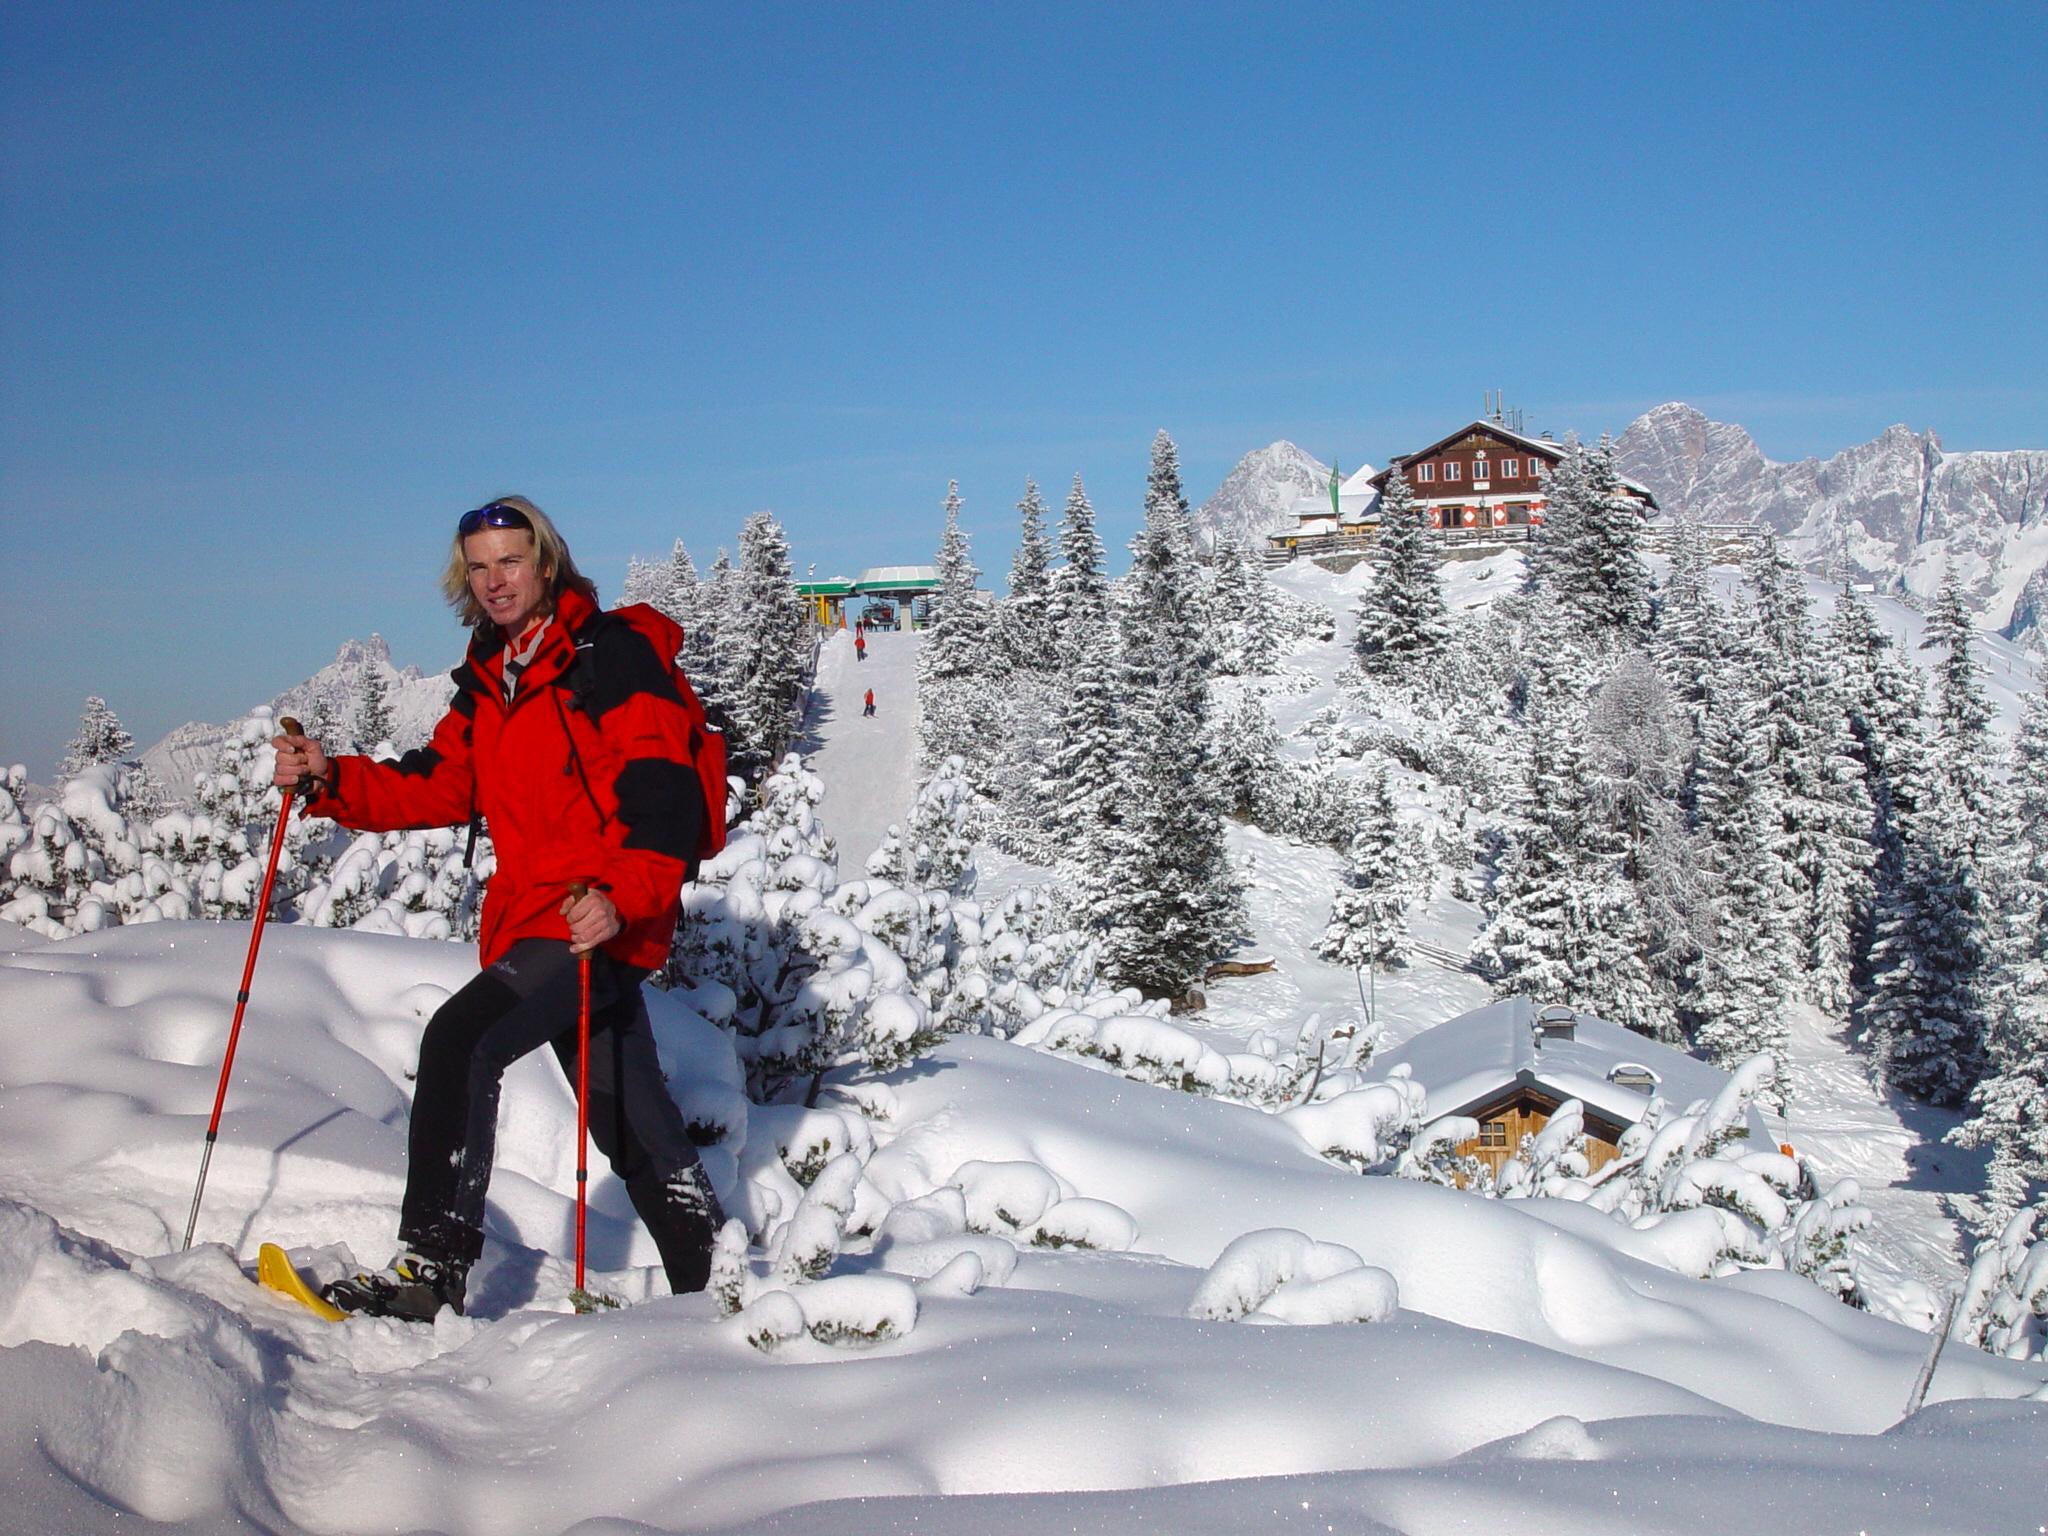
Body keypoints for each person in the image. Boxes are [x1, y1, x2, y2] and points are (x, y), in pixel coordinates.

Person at [271, 495, 724, 1321]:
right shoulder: (493, 677)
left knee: (460, 1041)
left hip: (594, 914)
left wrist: (621, 899)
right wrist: (331, 778)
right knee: (631, 1118)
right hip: (536, 917)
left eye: (509, 561)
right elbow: (443, 782)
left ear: (545, 562)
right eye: (477, 568)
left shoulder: (609, 656)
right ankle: (722, 1282)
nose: (493, 581)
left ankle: (432, 1271)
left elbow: (664, 793)